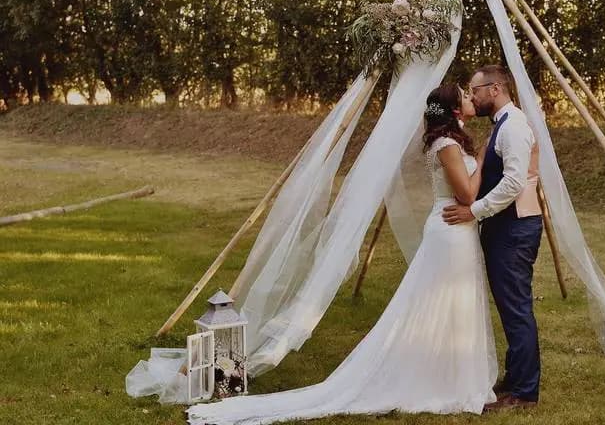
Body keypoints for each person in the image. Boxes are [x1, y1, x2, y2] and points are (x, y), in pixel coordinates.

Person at [186, 83, 497, 424]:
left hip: (457, 230)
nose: (471, 98)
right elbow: (466, 195)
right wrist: (481, 160)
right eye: (465, 95)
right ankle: (438, 377)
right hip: (451, 231)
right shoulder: (447, 144)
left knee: (455, 303)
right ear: (454, 109)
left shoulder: (452, 140)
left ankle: (450, 373)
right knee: (438, 302)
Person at [442, 64, 542, 411]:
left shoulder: (513, 126)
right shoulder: (501, 125)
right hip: (505, 226)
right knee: (509, 305)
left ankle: (525, 392)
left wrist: (475, 210)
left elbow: (514, 182)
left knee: (516, 308)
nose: (472, 97)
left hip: (514, 227)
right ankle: (515, 379)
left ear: (494, 89)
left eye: (475, 91)